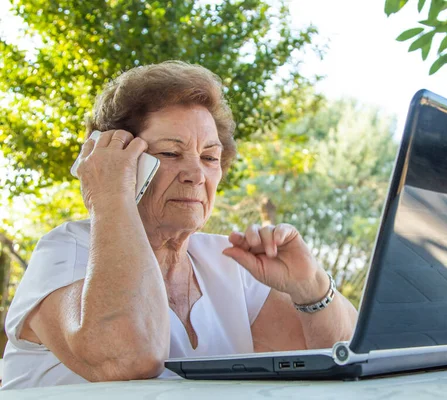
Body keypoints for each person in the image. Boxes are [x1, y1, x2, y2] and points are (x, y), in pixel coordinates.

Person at [1, 61, 358, 390]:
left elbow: (340, 358)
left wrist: (310, 287)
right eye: (170, 153)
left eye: (209, 157)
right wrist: (110, 196)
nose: (196, 175)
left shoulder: (228, 261)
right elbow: (127, 359)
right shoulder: (67, 250)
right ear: (118, 159)